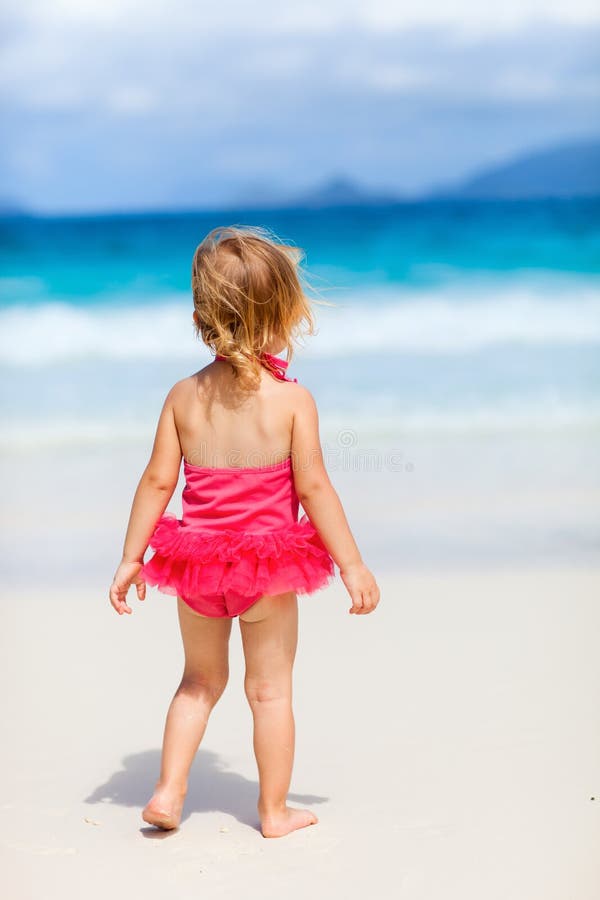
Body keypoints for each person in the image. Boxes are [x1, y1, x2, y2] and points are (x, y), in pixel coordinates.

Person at [108, 224, 380, 839]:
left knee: (198, 682)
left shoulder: (183, 395)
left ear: (205, 313)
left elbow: (156, 482)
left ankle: (169, 792)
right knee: (269, 692)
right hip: (266, 568)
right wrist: (352, 565)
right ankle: (274, 812)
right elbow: (314, 489)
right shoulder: (292, 401)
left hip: (195, 564)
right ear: (281, 312)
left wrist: (131, 557)